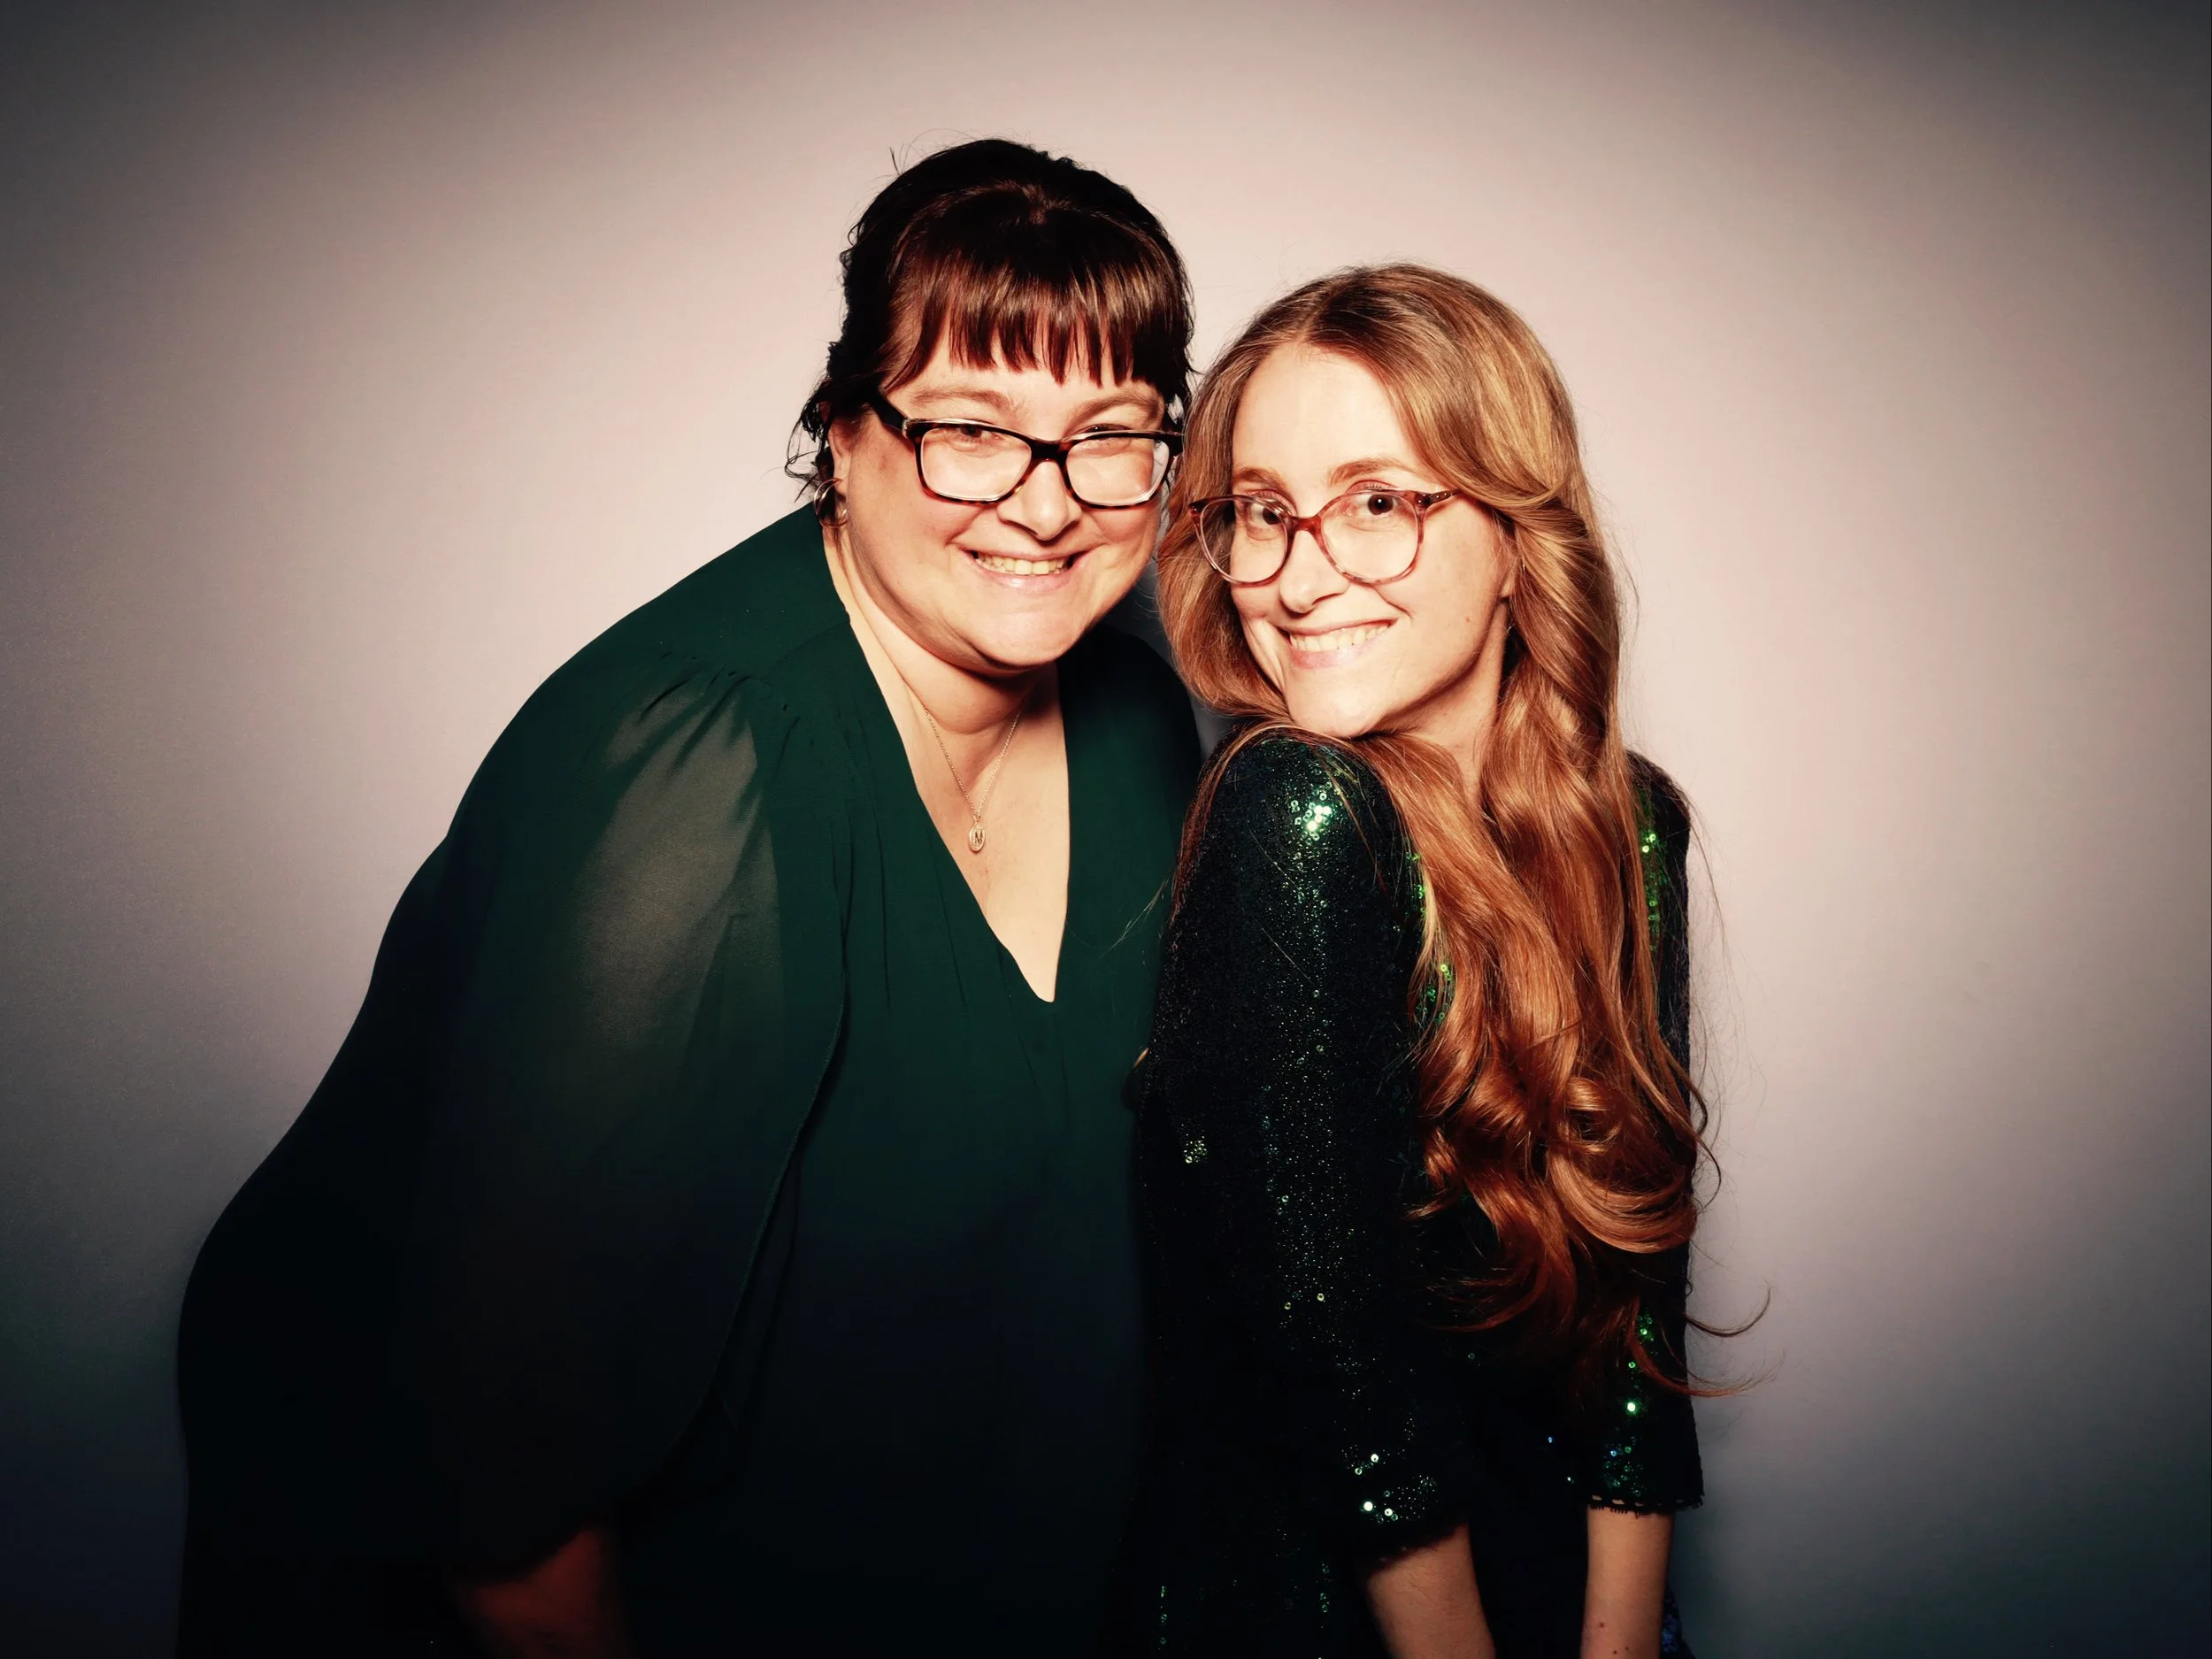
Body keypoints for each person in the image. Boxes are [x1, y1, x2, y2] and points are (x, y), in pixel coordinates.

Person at [176, 138, 1202, 1658]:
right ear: (843, 434)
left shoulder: (1138, 717)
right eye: (971, 430)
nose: (1047, 504)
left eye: (1110, 436)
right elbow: (511, 1514)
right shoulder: (693, 770)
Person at [1113, 265, 1708, 1659]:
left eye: (1377, 503)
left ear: (1515, 537)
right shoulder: (1296, 811)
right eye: (1263, 511)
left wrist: (1621, 1641)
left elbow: (1639, 1302)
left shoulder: (1632, 828)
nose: (1299, 573)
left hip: (1551, 1592)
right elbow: (1347, 1384)